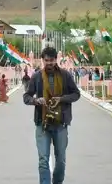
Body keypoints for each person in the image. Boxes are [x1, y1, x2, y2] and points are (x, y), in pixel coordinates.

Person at [24, 47, 80, 184]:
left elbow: (76, 94)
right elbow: (26, 96)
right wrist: (36, 101)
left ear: (56, 60)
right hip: (42, 124)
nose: (49, 63)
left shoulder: (65, 76)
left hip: (60, 124)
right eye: (46, 60)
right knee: (43, 160)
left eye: (52, 60)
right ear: (42, 60)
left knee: (60, 160)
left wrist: (61, 99)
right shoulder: (37, 77)